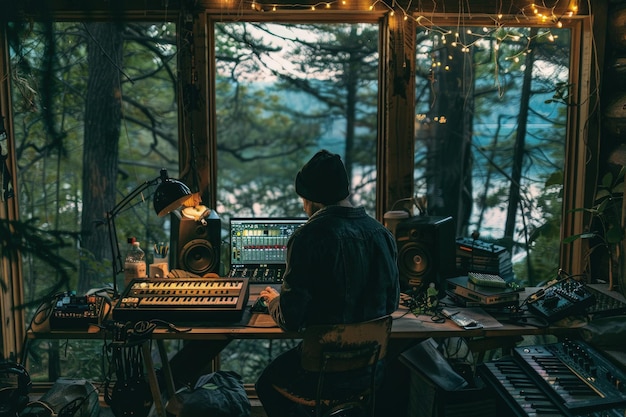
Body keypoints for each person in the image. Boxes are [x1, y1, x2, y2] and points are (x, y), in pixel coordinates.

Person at [255, 149, 400, 417]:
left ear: (312, 199)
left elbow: (290, 318)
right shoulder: (382, 234)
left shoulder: (307, 237)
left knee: (265, 383)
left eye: (303, 199)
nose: (302, 206)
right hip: (370, 370)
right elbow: (391, 304)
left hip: (319, 373)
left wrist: (272, 299)